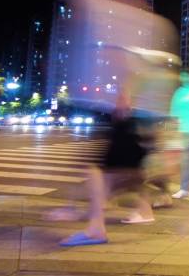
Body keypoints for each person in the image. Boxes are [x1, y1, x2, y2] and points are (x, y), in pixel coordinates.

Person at [60, 93, 155, 247]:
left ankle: (94, 228)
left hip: (124, 169)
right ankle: (95, 224)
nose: (119, 102)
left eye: (123, 99)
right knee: (98, 180)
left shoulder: (130, 121)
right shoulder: (122, 120)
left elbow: (128, 148)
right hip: (124, 168)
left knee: (96, 177)